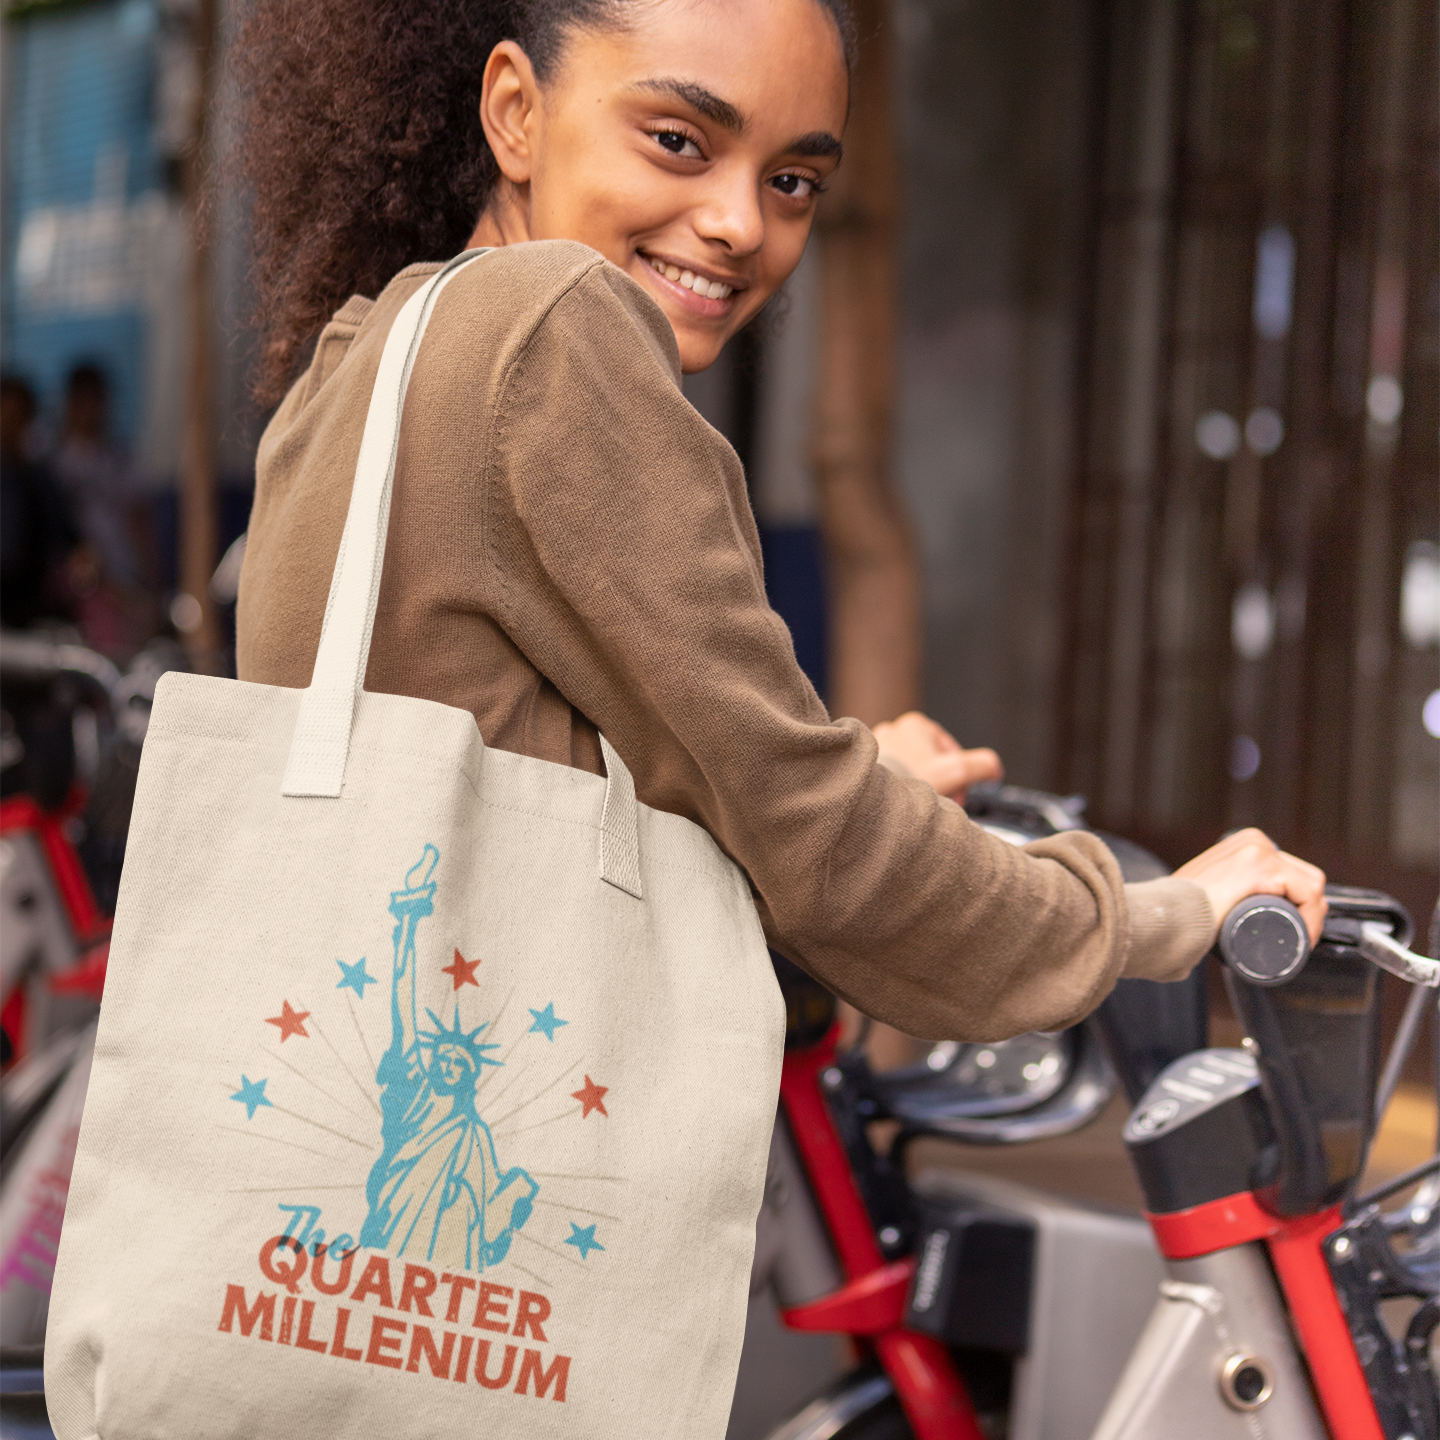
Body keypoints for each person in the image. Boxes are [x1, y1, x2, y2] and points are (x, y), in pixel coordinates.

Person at [233, 0, 1325, 1051]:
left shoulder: (365, 350)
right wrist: (1157, 914)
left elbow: (559, 773)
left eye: (793, 179)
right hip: (499, 1155)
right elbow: (819, 845)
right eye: (676, 139)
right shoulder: (560, 332)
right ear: (516, 109)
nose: (741, 222)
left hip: (329, 1157)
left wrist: (850, 780)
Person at [359, 846, 538, 1271]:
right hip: (393, 1233)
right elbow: (404, 1005)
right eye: (443, 1058)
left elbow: (489, 1224)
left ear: (470, 1077)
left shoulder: (475, 1136)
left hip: (450, 1262)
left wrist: (515, 1198)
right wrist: (407, 923)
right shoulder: (411, 1095)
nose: (449, 1066)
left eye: (460, 1064)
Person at [0, 376, 75, 631]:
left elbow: (67, 539)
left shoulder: (39, 480)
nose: (8, 424)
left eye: (16, 416)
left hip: (31, 604)